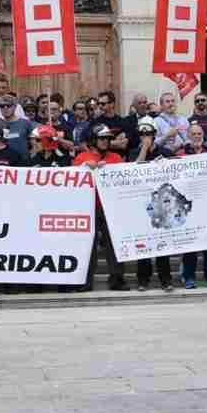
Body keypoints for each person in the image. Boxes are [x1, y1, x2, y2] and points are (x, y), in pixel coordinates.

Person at [74, 125, 128, 292]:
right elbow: (71, 178)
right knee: (88, 247)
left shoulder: (116, 158)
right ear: (93, 140)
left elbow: (125, 179)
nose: (105, 141)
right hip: (88, 208)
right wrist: (84, 166)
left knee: (114, 245)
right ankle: (85, 282)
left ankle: (117, 280)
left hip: (111, 208)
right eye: (102, 138)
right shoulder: (82, 157)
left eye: (107, 138)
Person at [132, 118, 175, 292]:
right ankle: (143, 280)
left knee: (162, 245)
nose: (145, 137)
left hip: (162, 204)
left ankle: (166, 280)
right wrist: (143, 149)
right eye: (142, 134)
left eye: (148, 133)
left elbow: (177, 171)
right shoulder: (134, 152)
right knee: (144, 245)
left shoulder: (164, 152)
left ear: (154, 134)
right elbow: (135, 170)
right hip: (142, 204)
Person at [180, 124, 207, 289]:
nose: (197, 136)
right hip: (188, 206)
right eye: (193, 134)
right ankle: (189, 277)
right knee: (190, 244)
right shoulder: (181, 154)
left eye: (199, 133)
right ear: (188, 136)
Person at [0, 95, 35, 160]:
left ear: (15, 107)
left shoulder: (25, 123)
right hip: (3, 162)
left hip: (22, 162)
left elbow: (34, 144)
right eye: (2, 106)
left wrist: (30, 158)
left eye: (9, 105)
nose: (5, 108)